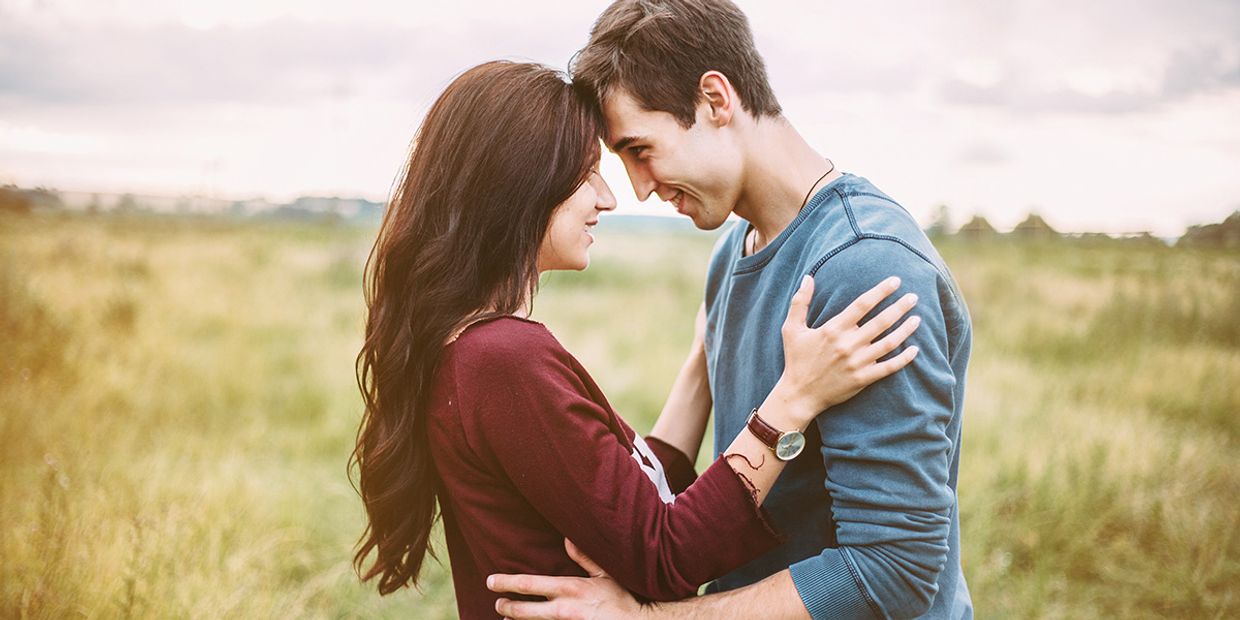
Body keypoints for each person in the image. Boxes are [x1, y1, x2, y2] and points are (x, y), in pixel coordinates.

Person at [350, 60, 922, 619]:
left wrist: (704, 357)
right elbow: (662, 550)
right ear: (520, 182)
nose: (608, 196)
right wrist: (794, 399)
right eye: (585, 173)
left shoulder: (480, 351)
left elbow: (631, 505)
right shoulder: (501, 360)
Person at [487, 1, 974, 619]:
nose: (638, 188)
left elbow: (893, 570)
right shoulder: (731, 254)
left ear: (716, 100)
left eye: (641, 149)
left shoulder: (865, 266)